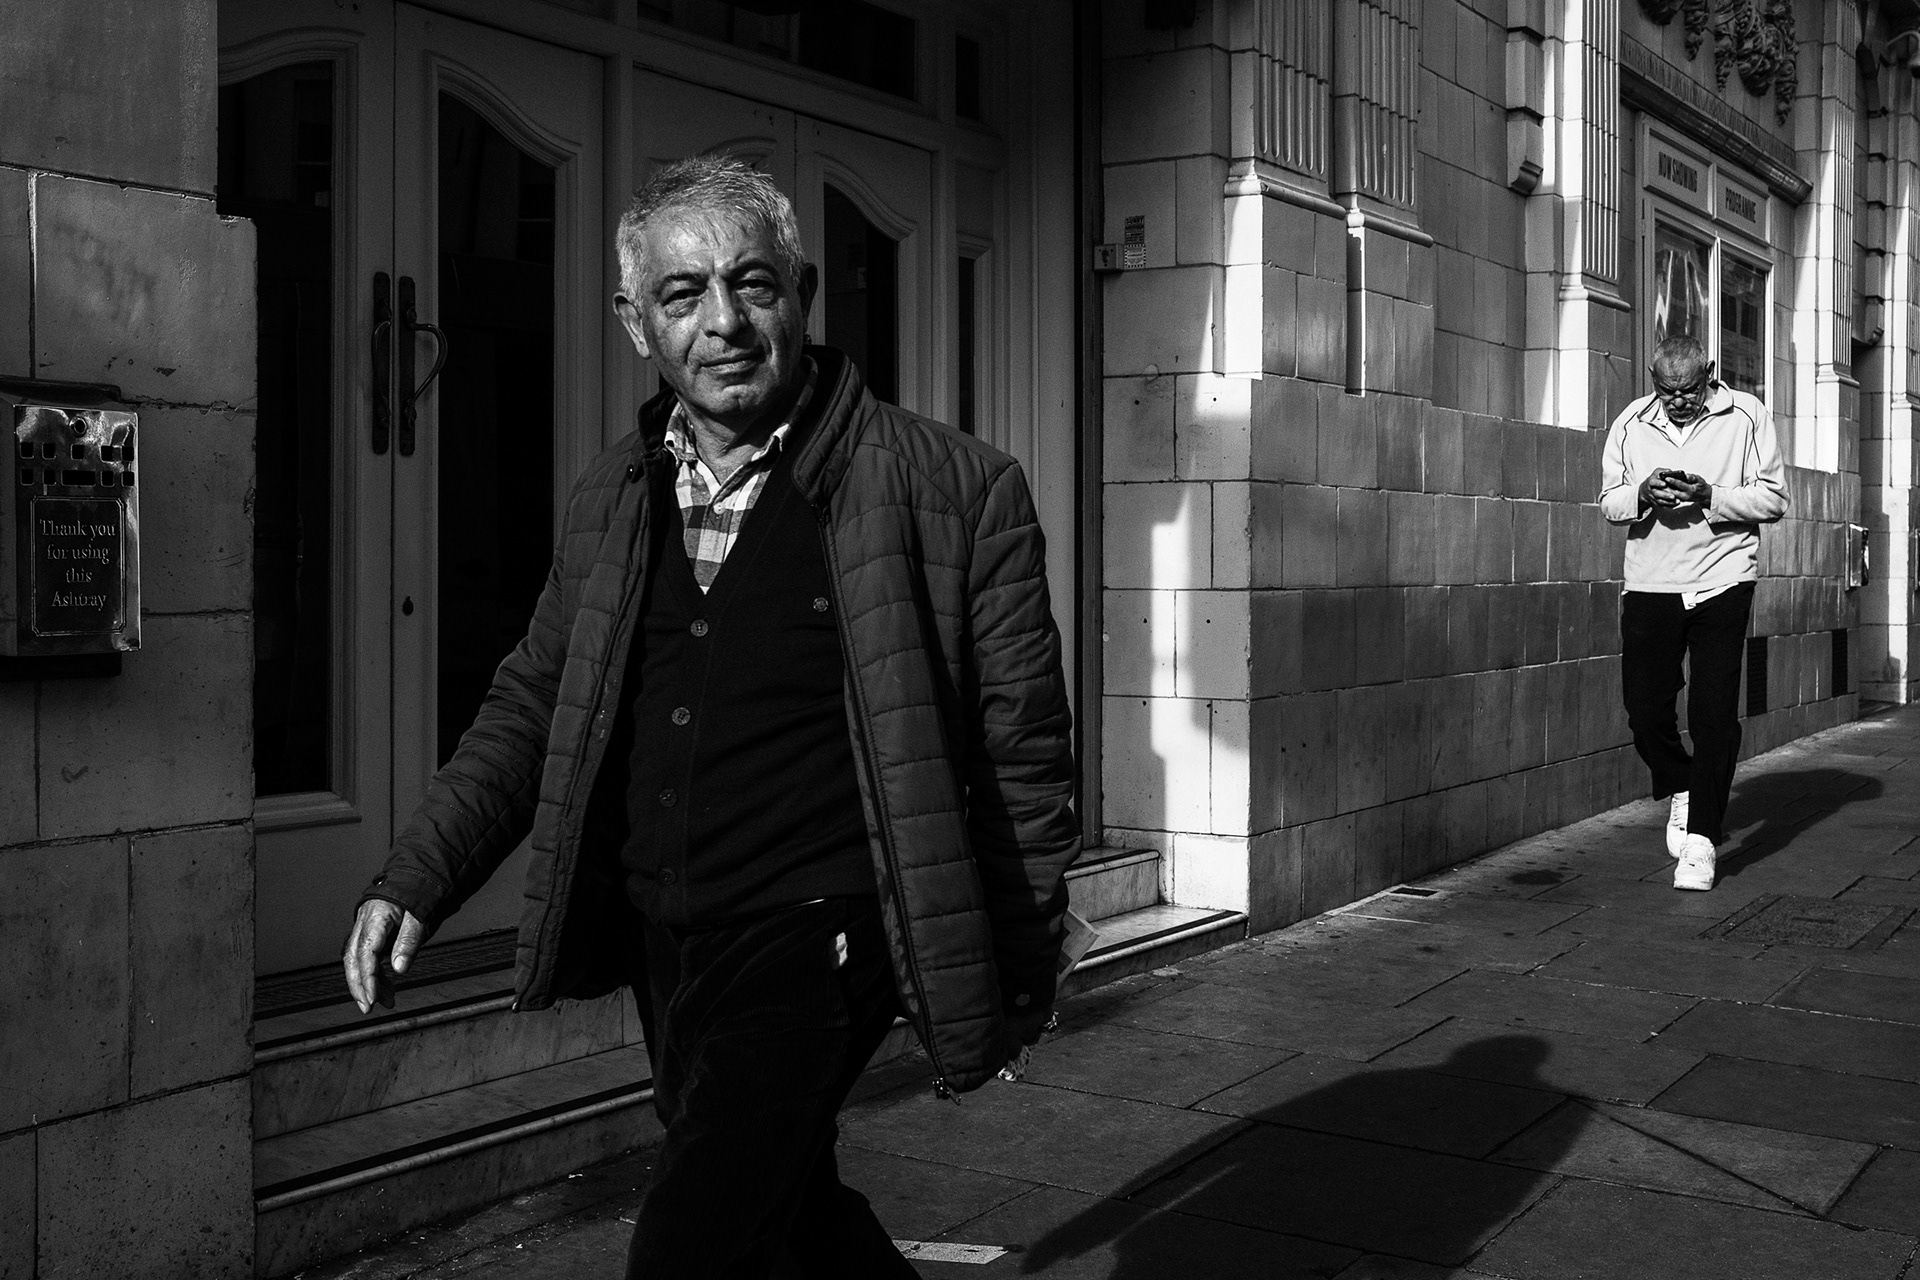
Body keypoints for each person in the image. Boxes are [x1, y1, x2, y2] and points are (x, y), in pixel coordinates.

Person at [341, 155, 1079, 1278]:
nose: (724, 322)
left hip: (822, 930)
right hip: (667, 929)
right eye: (683, 295)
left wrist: (1022, 963)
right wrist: (417, 875)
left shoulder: (958, 490)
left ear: (803, 293)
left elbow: (1024, 755)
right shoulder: (614, 493)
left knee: (694, 1242)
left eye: (753, 284)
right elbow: (536, 699)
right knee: (785, 1200)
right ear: (635, 320)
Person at [1599, 334, 1787, 892]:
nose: (1678, 400)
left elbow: (1774, 498)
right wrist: (1642, 494)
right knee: (1644, 710)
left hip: (1724, 580)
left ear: (1709, 373)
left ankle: (1702, 839)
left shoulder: (1746, 415)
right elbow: (1608, 501)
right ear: (1653, 380)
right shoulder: (1631, 423)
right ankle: (1682, 781)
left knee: (1712, 712)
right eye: (1667, 390)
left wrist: (1711, 496)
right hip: (1651, 582)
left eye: (1688, 389)